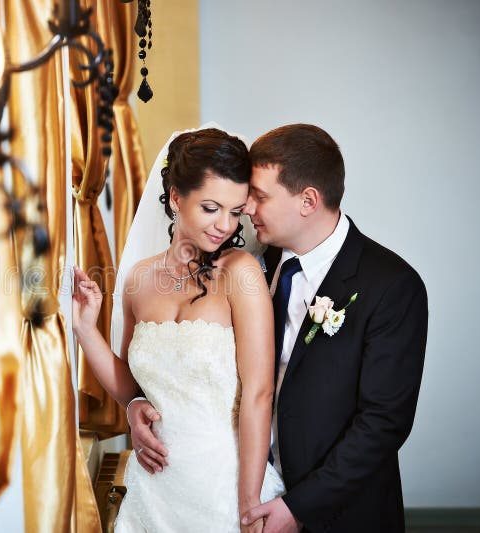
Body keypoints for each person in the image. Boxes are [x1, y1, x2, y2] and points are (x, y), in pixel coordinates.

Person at [129, 124, 428, 533]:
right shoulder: (248, 260)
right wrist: (134, 404)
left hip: (336, 511)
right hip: (227, 486)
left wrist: (298, 507)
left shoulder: (391, 285)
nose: (246, 211)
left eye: (259, 197)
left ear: (307, 200)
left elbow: (383, 423)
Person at [72, 127, 285, 532]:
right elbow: (133, 387)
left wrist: (249, 503)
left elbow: (259, 393)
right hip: (154, 487)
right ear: (174, 198)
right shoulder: (138, 279)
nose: (225, 224)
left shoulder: (240, 274)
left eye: (235, 211)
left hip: (224, 484)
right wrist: (85, 329)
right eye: (210, 207)